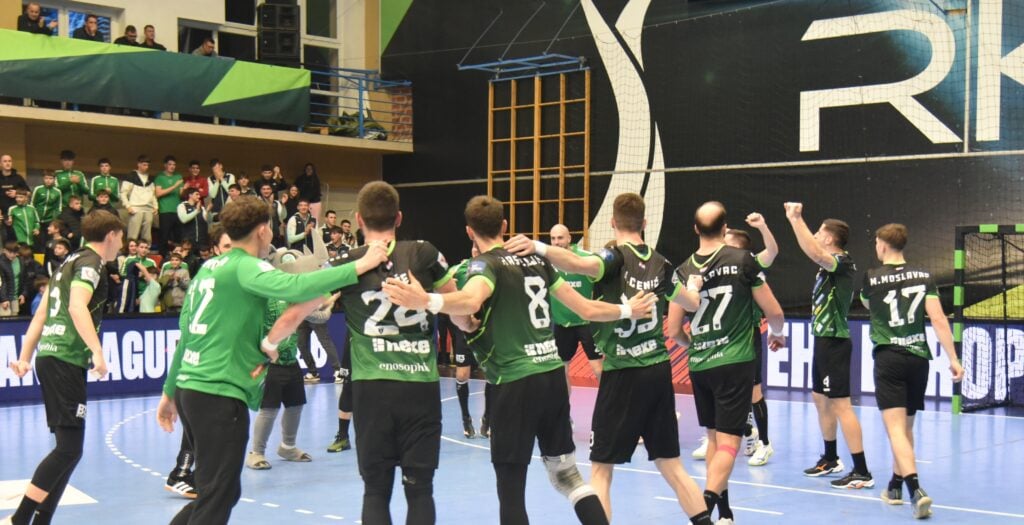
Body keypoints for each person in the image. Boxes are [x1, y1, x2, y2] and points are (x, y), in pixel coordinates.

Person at [385, 195, 655, 525]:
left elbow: (471, 301)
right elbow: (585, 309)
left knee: (511, 491)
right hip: (552, 378)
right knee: (568, 478)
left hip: (513, 384)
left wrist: (426, 300)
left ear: (469, 231)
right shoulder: (537, 262)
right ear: (504, 226)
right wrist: (628, 309)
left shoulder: (484, 266)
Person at [156, 197, 387, 524]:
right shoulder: (246, 265)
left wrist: (169, 393)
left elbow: (186, 335)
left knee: (219, 493)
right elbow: (296, 286)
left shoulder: (209, 268)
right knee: (218, 497)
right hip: (218, 393)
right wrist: (358, 266)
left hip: (191, 390)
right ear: (263, 230)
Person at [506, 195, 711, 524]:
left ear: (613, 223)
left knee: (601, 469)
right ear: (645, 223)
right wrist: (695, 287)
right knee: (672, 465)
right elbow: (690, 302)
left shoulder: (613, 257)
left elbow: (576, 264)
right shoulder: (662, 264)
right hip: (658, 370)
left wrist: (538, 247)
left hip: (622, 372)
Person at [4, 212, 123, 525]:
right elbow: (76, 306)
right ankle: (20, 519)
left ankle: (40, 520)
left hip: (52, 357)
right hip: (65, 358)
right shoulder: (91, 263)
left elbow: (41, 315)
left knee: (71, 449)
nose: (121, 245)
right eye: (121, 238)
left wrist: (25, 357)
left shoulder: (66, 263)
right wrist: (98, 351)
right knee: (68, 449)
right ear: (111, 235)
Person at [672, 201, 787, 525]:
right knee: (729, 443)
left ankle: (725, 513)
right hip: (735, 361)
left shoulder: (682, 271)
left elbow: (674, 331)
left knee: (712, 438)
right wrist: (777, 333)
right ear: (724, 229)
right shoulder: (743, 260)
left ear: (696, 229)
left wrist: (696, 345)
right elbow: (774, 312)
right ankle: (705, 510)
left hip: (700, 365)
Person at [860, 223, 964, 519]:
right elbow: (939, 319)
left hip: (889, 357)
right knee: (905, 429)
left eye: (876, 243)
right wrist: (953, 358)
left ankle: (915, 490)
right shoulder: (924, 276)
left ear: (882, 244)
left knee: (895, 430)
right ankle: (894, 486)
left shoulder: (872, 277)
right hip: (918, 358)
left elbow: (868, 304)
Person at [783, 202, 873, 487]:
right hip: (823, 339)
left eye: (820, 231)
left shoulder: (841, 262)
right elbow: (814, 251)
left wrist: (795, 218)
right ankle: (831, 458)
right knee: (820, 398)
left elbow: (814, 252)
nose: (816, 235)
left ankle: (862, 470)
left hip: (835, 341)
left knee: (841, 405)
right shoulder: (829, 263)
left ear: (831, 238)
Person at [163, 227, 230, 500]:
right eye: (226, 247)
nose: (232, 252)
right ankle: (181, 473)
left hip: (213, 363)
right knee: (199, 425)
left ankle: (190, 474)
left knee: (207, 427)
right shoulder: (208, 276)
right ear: (215, 249)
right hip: (199, 363)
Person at [438, 245, 493, 438]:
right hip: (463, 328)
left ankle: (488, 419)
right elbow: (442, 285)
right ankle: (466, 418)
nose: (476, 252)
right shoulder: (459, 269)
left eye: (480, 249)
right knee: (462, 374)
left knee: (490, 375)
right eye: (474, 249)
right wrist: (447, 288)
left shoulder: (492, 268)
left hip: (486, 328)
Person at [546, 224, 602, 393]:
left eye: (560, 238)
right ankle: (565, 409)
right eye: (553, 238)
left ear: (569, 238)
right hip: (562, 325)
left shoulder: (586, 258)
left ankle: (612, 405)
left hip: (587, 323)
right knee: (561, 371)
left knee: (598, 369)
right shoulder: (546, 262)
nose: (556, 242)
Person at [120, 155, 157, 243]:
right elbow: (123, 193)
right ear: (138, 164)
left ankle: (146, 249)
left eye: (147, 165)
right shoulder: (131, 176)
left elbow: (153, 195)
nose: (146, 167)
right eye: (144, 165)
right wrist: (128, 206)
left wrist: (156, 206)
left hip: (149, 209)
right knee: (133, 234)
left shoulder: (150, 178)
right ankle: (130, 249)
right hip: (135, 208)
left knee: (147, 235)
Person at [155, 156, 184, 251]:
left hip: (177, 210)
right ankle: (163, 255)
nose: (172, 166)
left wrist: (185, 188)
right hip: (165, 210)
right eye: (170, 164)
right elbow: (158, 193)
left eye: (174, 165)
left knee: (178, 236)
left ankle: (177, 255)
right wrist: (174, 186)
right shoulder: (160, 177)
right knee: (164, 235)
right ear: (165, 165)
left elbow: (181, 194)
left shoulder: (178, 176)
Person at [31, 171, 62, 250]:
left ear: (54, 179)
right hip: (37, 221)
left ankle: (47, 256)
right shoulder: (38, 189)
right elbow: (32, 204)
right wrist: (34, 219)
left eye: (50, 178)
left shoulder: (57, 192)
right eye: (46, 178)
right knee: (37, 241)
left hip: (49, 221)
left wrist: (54, 220)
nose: (48, 180)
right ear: (43, 179)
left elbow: (58, 208)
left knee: (48, 241)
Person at [257, 182, 287, 248]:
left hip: (276, 235)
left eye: (268, 189)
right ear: (260, 191)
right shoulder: (257, 202)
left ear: (271, 190)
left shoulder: (276, 203)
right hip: (263, 235)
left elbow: (283, 216)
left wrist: (283, 204)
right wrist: (270, 204)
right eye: (264, 189)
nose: (266, 191)